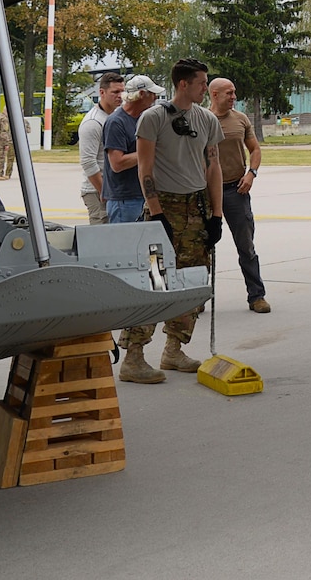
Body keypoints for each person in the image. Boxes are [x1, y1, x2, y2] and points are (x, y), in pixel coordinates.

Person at [121, 60, 224, 380]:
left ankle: (174, 349)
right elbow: (145, 169)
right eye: (201, 83)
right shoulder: (153, 118)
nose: (205, 88)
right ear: (183, 84)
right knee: (154, 281)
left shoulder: (206, 119)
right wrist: (157, 212)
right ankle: (134, 358)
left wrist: (216, 215)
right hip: (163, 205)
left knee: (192, 281)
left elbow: (213, 168)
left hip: (196, 208)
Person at [104, 76, 167, 382]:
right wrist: (147, 153)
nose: (155, 100)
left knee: (146, 266)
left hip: (139, 199)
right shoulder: (117, 123)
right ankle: (127, 339)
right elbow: (116, 163)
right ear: (140, 95)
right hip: (124, 201)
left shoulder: (144, 120)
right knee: (130, 267)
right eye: (152, 95)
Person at [208, 78, 269, 314]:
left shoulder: (241, 119)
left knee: (246, 246)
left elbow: (254, 148)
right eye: (229, 93)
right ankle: (197, 298)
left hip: (236, 190)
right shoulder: (201, 119)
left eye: (234, 92)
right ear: (214, 94)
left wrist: (251, 174)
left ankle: (257, 296)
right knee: (202, 247)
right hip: (205, 193)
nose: (234, 96)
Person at [75, 72, 125, 226]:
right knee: (101, 239)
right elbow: (88, 162)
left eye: (122, 91)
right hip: (97, 192)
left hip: (114, 190)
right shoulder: (93, 122)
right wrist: (104, 191)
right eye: (115, 92)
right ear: (102, 93)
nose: (120, 96)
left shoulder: (116, 116)